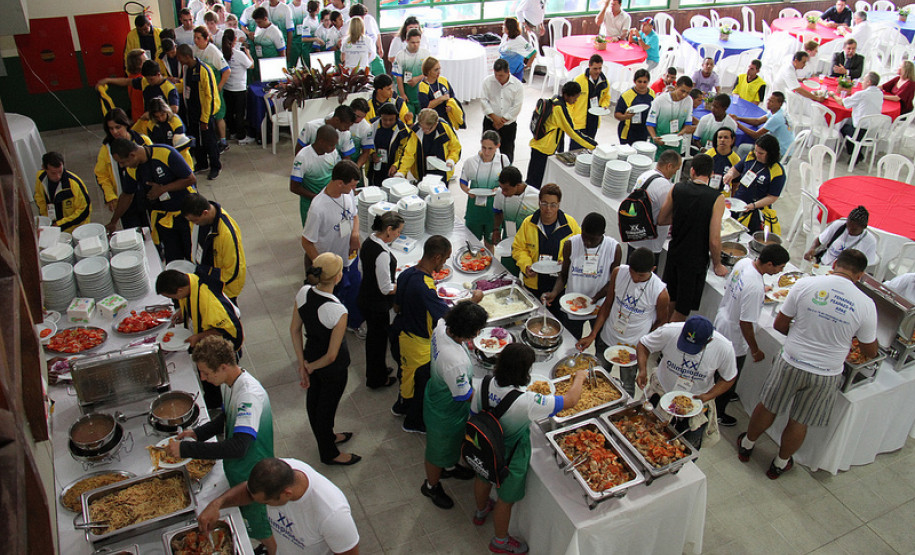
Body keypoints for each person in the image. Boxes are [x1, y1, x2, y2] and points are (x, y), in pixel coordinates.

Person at [739, 249, 877, 479]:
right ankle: (780, 464)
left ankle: (747, 445)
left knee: (769, 405)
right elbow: (869, 351)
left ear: (834, 263)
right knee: (800, 420)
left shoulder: (806, 285)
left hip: (792, 360)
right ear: (860, 275)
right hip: (826, 372)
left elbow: (781, 325)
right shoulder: (866, 304)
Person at [471, 344, 587, 555]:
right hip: (510, 454)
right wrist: (580, 377)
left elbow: (474, 411)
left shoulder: (483, 384)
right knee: (505, 500)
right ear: (524, 372)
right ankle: (500, 540)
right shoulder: (526, 401)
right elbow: (570, 401)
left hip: (485, 446)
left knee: (483, 476)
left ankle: (480, 511)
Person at [165, 336, 275, 555]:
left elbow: (238, 447)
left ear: (224, 366)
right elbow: (226, 418)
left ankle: (273, 551)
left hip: (253, 471)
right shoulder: (230, 383)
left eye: (206, 373)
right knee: (249, 518)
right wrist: (197, 434)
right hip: (238, 468)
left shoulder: (248, 395)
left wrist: (186, 449)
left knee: (259, 523)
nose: (203, 378)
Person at [393, 236, 483, 433]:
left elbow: (397, 305)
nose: (445, 263)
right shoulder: (425, 286)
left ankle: (400, 406)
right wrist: (472, 302)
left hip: (403, 332)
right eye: (445, 258)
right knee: (418, 382)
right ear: (436, 257)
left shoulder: (406, 274)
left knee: (406, 374)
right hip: (417, 342)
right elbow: (447, 316)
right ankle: (413, 421)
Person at [198, 457, 360, 554]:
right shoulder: (278, 470)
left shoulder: (332, 514)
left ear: (286, 493)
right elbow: (249, 492)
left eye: (266, 503)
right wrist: (216, 505)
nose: (261, 505)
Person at [290, 252, 362, 465]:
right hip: (331, 369)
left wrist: (303, 364)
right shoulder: (337, 310)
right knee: (325, 408)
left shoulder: (303, 292)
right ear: (338, 277)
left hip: (311, 354)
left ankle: (328, 436)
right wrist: (310, 367)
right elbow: (332, 355)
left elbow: (294, 330)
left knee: (315, 402)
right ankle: (329, 453)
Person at [421, 301, 489, 510]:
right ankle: (431, 485)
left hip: (437, 393)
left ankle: (449, 466)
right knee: (437, 450)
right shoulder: (455, 361)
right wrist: (486, 400)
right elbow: (464, 395)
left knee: (451, 445)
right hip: (446, 411)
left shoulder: (442, 326)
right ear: (474, 332)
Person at [713, 244, 790, 427]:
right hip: (734, 336)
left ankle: (722, 397)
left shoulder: (744, 263)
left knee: (719, 369)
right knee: (729, 375)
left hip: (723, 319)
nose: (781, 271)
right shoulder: (754, 286)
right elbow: (746, 323)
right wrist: (755, 350)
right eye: (780, 267)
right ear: (770, 264)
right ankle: (717, 413)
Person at [576, 247, 668, 395]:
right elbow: (607, 305)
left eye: (641, 275)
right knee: (596, 377)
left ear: (653, 269)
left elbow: (661, 322)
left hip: (633, 347)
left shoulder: (660, 292)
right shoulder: (619, 273)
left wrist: (644, 351)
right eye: (632, 272)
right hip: (608, 337)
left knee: (627, 386)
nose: (635, 278)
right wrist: (593, 334)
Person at [637, 316, 738, 448]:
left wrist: (709, 395)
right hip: (661, 392)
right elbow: (644, 345)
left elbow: (729, 378)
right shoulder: (670, 331)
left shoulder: (724, 348)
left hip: (696, 403)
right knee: (644, 435)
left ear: (709, 341)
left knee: (686, 446)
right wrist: (642, 370)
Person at [156, 269, 243, 408]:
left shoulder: (208, 300)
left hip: (222, 345)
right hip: (206, 340)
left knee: (215, 380)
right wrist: (182, 312)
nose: (177, 300)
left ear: (179, 290)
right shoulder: (191, 282)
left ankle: (217, 405)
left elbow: (225, 331)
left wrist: (198, 337)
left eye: (173, 297)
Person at [657, 154, 728, 321]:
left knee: (670, 298)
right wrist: (717, 264)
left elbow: (661, 220)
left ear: (692, 170)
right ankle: (667, 340)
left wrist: (683, 217)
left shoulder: (677, 188)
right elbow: (714, 239)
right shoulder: (717, 198)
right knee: (683, 307)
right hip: (695, 259)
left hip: (675, 252)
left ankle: (659, 332)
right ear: (711, 174)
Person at [107, 139, 196, 261]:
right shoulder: (132, 169)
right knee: (173, 258)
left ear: (132, 155)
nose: (122, 166)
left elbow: (190, 179)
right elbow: (127, 195)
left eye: (122, 162)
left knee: (192, 254)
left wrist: (163, 189)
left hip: (186, 214)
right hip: (163, 218)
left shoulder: (165, 153)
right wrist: (113, 221)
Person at [300, 160, 364, 332]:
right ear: (339, 183)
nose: (353, 190)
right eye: (351, 186)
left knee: (355, 291)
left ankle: (353, 323)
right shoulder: (318, 208)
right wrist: (323, 265)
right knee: (335, 299)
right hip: (332, 264)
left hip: (349, 256)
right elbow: (306, 241)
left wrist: (355, 234)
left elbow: (355, 216)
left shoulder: (347, 194)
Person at [542, 212, 621, 339]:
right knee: (571, 341)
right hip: (573, 306)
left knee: (599, 341)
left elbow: (613, 281)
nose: (588, 243)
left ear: (602, 234)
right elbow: (563, 275)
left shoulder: (613, 248)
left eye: (593, 239)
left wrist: (595, 298)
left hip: (599, 306)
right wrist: (554, 292)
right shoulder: (570, 245)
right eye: (585, 237)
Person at [512, 183, 581, 307]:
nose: (548, 209)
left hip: (560, 285)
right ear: (539, 203)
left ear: (559, 205)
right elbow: (518, 248)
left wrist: (564, 262)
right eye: (544, 203)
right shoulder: (528, 223)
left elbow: (579, 250)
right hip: (533, 284)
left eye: (553, 205)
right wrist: (526, 265)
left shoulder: (570, 225)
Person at [357, 211, 404, 389]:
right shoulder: (382, 253)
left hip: (365, 296)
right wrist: (403, 285)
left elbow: (363, 270)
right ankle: (377, 379)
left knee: (374, 341)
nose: (398, 235)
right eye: (398, 232)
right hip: (376, 305)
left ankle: (379, 370)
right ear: (389, 229)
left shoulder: (369, 242)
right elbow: (385, 288)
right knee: (377, 343)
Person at [180, 192, 247, 303]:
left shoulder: (226, 234)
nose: (193, 224)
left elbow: (231, 271)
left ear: (205, 213)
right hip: (207, 276)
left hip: (224, 287)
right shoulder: (200, 221)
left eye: (194, 220)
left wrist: (205, 273)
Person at [527, 81, 596, 188]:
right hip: (545, 149)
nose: (576, 100)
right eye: (575, 98)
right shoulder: (559, 109)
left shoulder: (555, 100)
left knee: (532, 177)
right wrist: (593, 145)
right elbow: (572, 132)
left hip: (538, 144)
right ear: (567, 95)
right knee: (536, 182)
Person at [95, 109, 152, 229]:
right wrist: (111, 197)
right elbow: (101, 175)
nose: (115, 132)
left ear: (126, 124)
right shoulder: (106, 149)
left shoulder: (143, 141)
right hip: (125, 200)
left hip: (148, 197)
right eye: (111, 129)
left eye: (118, 127)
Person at [626, 150, 681, 264]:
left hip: (634, 235)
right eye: (675, 170)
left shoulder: (645, 175)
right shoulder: (663, 185)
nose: (674, 174)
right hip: (649, 244)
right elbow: (663, 218)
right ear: (669, 166)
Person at [177, 43, 222, 180]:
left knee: (210, 141)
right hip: (192, 112)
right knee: (197, 140)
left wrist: (205, 118)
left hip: (205, 113)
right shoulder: (186, 69)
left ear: (187, 56)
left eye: (180, 57)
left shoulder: (203, 70)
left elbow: (209, 96)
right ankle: (202, 163)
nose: (178, 61)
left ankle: (215, 166)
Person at [724, 134, 786, 232]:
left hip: (756, 210)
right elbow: (736, 169)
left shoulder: (777, 172)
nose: (757, 154)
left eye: (761, 153)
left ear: (770, 153)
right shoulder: (750, 157)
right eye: (755, 151)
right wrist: (730, 174)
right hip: (738, 203)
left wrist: (754, 205)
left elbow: (772, 197)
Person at [461, 130, 510, 249]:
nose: (486, 152)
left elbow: (508, 182)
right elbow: (463, 181)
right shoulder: (470, 162)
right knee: (472, 243)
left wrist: (499, 188)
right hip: (474, 210)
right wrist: (468, 191)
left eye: (490, 148)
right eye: (484, 147)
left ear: (497, 146)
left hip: (493, 209)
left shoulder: (503, 161)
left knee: (490, 244)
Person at [491, 166, 540, 275]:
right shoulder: (500, 193)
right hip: (508, 241)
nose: (502, 192)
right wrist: (496, 230)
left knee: (529, 274)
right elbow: (498, 212)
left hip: (528, 244)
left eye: (506, 189)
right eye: (501, 188)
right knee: (508, 274)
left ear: (518, 185)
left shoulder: (536, 197)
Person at [289, 124, 341, 225]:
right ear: (321, 142)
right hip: (310, 202)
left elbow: (337, 172)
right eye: (331, 145)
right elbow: (294, 187)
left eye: (335, 145)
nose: (334, 148)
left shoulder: (333, 153)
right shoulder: (303, 157)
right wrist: (317, 197)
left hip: (330, 198)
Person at [191, 27, 231, 154]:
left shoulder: (213, 52)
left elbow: (226, 70)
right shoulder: (195, 50)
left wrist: (219, 87)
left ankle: (223, 141)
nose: (196, 41)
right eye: (195, 38)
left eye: (199, 38)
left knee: (218, 115)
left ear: (206, 38)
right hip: (202, 89)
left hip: (214, 89)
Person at [395, 108, 461, 182]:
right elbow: (409, 154)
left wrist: (451, 160)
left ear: (435, 124)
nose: (424, 131)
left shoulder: (445, 129)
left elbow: (455, 148)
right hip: (422, 172)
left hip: (442, 170)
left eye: (427, 129)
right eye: (422, 127)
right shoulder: (415, 132)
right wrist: (401, 172)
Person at [34, 152, 91, 234]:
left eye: (60, 171)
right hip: (53, 226)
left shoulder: (74, 184)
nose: (58, 176)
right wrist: (46, 219)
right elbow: (39, 198)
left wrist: (60, 224)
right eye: (53, 173)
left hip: (74, 230)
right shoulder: (40, 178)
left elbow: (84, 210)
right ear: (44, 168)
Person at [132, 98, 194, 169]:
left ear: (167, 111)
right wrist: (141, 119)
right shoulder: (151, 124)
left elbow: (180, 145)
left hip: (181, 157)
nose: (160, 119)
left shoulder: (175, 120)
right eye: (157, 117)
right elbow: (134, 132)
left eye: (162, 115)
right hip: (163, 159)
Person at [97, 60, 180, 114]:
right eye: (147, 79)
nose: (148, 82)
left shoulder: (169, 88)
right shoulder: (144, 82)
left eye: (151, 79)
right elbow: (127, 81)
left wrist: (155, 114)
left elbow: (174, 109)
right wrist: (108, 80)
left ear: (158, 74)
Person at [804, 205, 878, 266]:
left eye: (854, 229)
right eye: (848, 226)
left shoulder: (870, 241)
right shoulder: (839, 225)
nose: (849, 230)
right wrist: (812, 248)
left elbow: (865, 265)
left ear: (864, 227)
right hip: (823, 265)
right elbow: (819, 240)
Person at [481, 58, 524, 162]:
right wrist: (495, 118)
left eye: (501, 75)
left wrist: (502, 121)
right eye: (496, 75)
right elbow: (484, 101)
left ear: (508, 72)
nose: (498, 78)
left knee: (507, 152)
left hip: (508, 125)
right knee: (487, 151)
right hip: (490, 122)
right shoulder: (488, 81)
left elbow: (517, 106)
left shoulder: (517, 85)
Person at [832, 71, 884, 156]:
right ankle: (857, 153)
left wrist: (833, 95)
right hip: (873, 131)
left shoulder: (862, 94)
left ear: (869, 82)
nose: (862, 82)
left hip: (859, 130)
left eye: (864, 80)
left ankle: (855, 154)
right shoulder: (880, 93)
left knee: (842, 127)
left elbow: (843, 103)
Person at [364, 103, 412, 187]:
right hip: (376, 167)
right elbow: (366, 143)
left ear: (396, 118)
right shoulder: (372, 126)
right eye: (384, 119)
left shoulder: (403, 131)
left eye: (391, 119)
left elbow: (405, 152)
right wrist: (372, 154)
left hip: (392, 167)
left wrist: (396, 166)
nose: (387, 122)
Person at [732, 92, 794, 157]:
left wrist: (736, 124)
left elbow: (756, 135)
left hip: (780, 153)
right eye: (768, 100)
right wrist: (738, 118)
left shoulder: (776, 118)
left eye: (772, 101)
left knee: (742, 148)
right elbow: (757, 121)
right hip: (786, 148)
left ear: (779, 104)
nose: (768, 103)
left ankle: (738, 166)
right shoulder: (778, 111)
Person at [646, 76, 694, 158]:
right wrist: (654, 137)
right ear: (676, 87)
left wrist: (682, 132)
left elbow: (688, 123)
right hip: (660, 141)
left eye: (688, 92)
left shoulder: (689, 101)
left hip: (676, 142)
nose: (684, 95)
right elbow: (650, 123)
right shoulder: (660, 100)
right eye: (682, 91)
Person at [221, 29, 255, 145]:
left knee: (230, 112)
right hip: (239, 88)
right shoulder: (239, 54)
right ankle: (241, 137)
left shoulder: (223, 53)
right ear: (235, 40)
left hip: (227, 87)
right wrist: (248, 54)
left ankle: (233, 132)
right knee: (240, 113)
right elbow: (251, 65)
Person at [571, 55, 611, 150]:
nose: (597, 71)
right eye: (595, 68)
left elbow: (606, 97)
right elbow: (570, 102)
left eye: (600, 68)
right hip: (579, 122)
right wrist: (570, 119)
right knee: (575, 149)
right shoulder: (578, 81)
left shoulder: (604, 82)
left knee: (589, 146)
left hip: (593, 120)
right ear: (589, 66)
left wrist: (604, 106)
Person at [417, 57, 465, 130]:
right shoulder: (423, 86)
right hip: (432, 121)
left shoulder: (443, 80)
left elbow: (452, 96)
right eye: (436, 70)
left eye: (439, 69)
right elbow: (426, 106)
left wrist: (451, 107)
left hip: (447, 118)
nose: (439, 72)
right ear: (428, 71)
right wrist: (441, 99)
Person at [393, 28, 431, 117]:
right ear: (407, 41)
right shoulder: (400, 56)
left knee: (425, 119)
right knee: (408, 120)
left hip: (423, 93)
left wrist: (417, 78)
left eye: (418, 42)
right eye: (413, 42)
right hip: (408, 94)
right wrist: (402, 94)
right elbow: (398, 77)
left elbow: (430, 73)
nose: (416, 45)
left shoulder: (426, 54)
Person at [615, 68, 655, 144]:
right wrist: (625, 117)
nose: (642, 84)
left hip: (643, 132)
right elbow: (617, 114)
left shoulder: (652, 94)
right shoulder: (626, 95)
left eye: (645, 82)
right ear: (634, 81)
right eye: (639, 82)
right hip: (628, 132)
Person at [499, 17, 536, 83]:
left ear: (509, 28)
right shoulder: (505, 36)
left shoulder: (519, 40)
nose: (502, 26)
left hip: (515, 72)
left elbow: (533, 52)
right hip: (503, 70)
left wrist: (528, 65)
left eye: (504, 25)